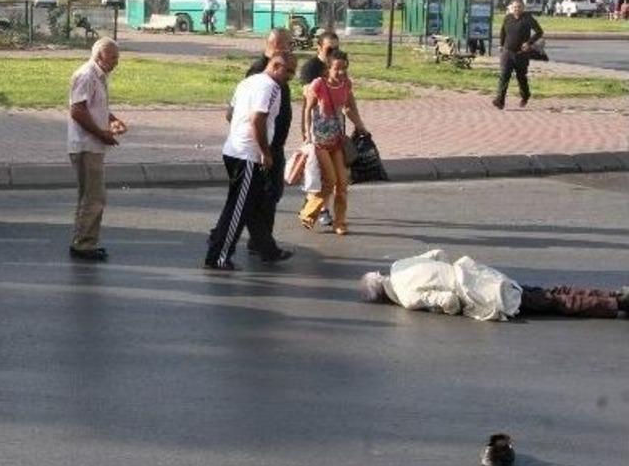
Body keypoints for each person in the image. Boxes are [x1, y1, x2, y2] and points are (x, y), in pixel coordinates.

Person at [360, 249, 629, 320]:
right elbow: (437, 253)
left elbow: (448, 301)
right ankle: (615, 295)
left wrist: (450, 310)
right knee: (548, 293)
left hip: (481, 295)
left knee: (555, 302)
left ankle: (614, 304)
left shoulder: (406, 297)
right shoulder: (399, 266)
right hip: (478, 274)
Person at [204, 53, 290, 271]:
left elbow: (230, 114)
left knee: (252, 204)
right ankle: (218, 256)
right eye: (288, 71)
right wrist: (265, 151)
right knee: (238, 208)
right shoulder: (271, 87)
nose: (291, 76)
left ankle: (268, 249)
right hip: (248, 154)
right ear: (276, 66)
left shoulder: (247, 82)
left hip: (235, 149)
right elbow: (257, 119)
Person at [236, 29, 296, 260]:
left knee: (271, 195)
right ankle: (263, 244)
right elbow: (254, 115)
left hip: (274, 144)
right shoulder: (260, 70)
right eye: (288, 44)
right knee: (262, 197)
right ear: (277, 44)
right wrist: (263, 149)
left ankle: (260, 241)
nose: (290, 48)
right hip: (262, 146)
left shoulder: (280, 67)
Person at [67, 37, 127, 261]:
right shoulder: (86, 75)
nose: (116, 62)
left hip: (93, 144)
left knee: (90, 197)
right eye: (113, 57)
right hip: (86, 145)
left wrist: (112, 120)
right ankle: (83, 245)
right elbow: (78, 111)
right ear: (99, 56)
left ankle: (83, 240)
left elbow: (95, 107)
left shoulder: (99, 76)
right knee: (94, 197)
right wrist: (101, 133)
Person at [299, 50, 367, 236]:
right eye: (337, 69)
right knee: (329, 180)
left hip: (337, 140)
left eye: (345, 68)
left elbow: (348, 108)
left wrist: (361, 127)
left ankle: (340, 222)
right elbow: (308, 109)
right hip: (320, 141)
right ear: (328, 69)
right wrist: (307, 133)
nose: (341, 73)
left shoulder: (346, 85)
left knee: (342, 184)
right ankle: (308, 213)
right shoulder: (318, 84)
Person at [492, 0, 543, 110]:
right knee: (504, 76)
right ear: (511, 8)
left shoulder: (528, 18)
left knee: (521, 77)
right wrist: (501, 44)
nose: (516, 9)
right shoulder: (508, 18)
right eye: (514, 7)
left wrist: (529, 43)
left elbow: (539, 32)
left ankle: (525, 95)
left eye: (519, 7)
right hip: (507, 52)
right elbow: (502, 31)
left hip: (521, 54)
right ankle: (500, 101)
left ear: (523, 8)